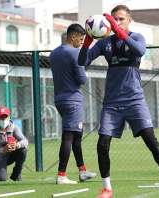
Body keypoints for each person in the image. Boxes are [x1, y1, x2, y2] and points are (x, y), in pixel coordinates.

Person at [78, 5, 159, 198]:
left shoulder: (137, 38)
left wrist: (119, 30)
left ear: (129, 20)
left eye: (120, 19)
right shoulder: (105, 43)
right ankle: (107, 189)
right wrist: (87, 42)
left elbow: (139, 51)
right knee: (102, 144)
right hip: (112, 103)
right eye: (114, 19)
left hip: (135, 101)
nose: (117, 22)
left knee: (152, 142)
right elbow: (82, 61)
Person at [50, 23, 96, 184]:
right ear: (73, 36)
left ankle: (82, 171)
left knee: (76, 136)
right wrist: (83, 68)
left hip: (60, 99)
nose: (82, 43)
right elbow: (81, 79)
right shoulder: (75, 53)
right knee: (68, 137)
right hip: (72, 100)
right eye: (81, 39)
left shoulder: (54, 53)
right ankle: (61, 175)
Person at [0, 106, 28, 181]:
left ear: (9, 117)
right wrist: (2, 150)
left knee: (23, 150)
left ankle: (16, 174)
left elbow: (25, 141)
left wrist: (17, 145)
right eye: (1, 118)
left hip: (10, 155)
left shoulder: (13, 127)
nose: (3, 120)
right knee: (1, 179)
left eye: (5, 117)